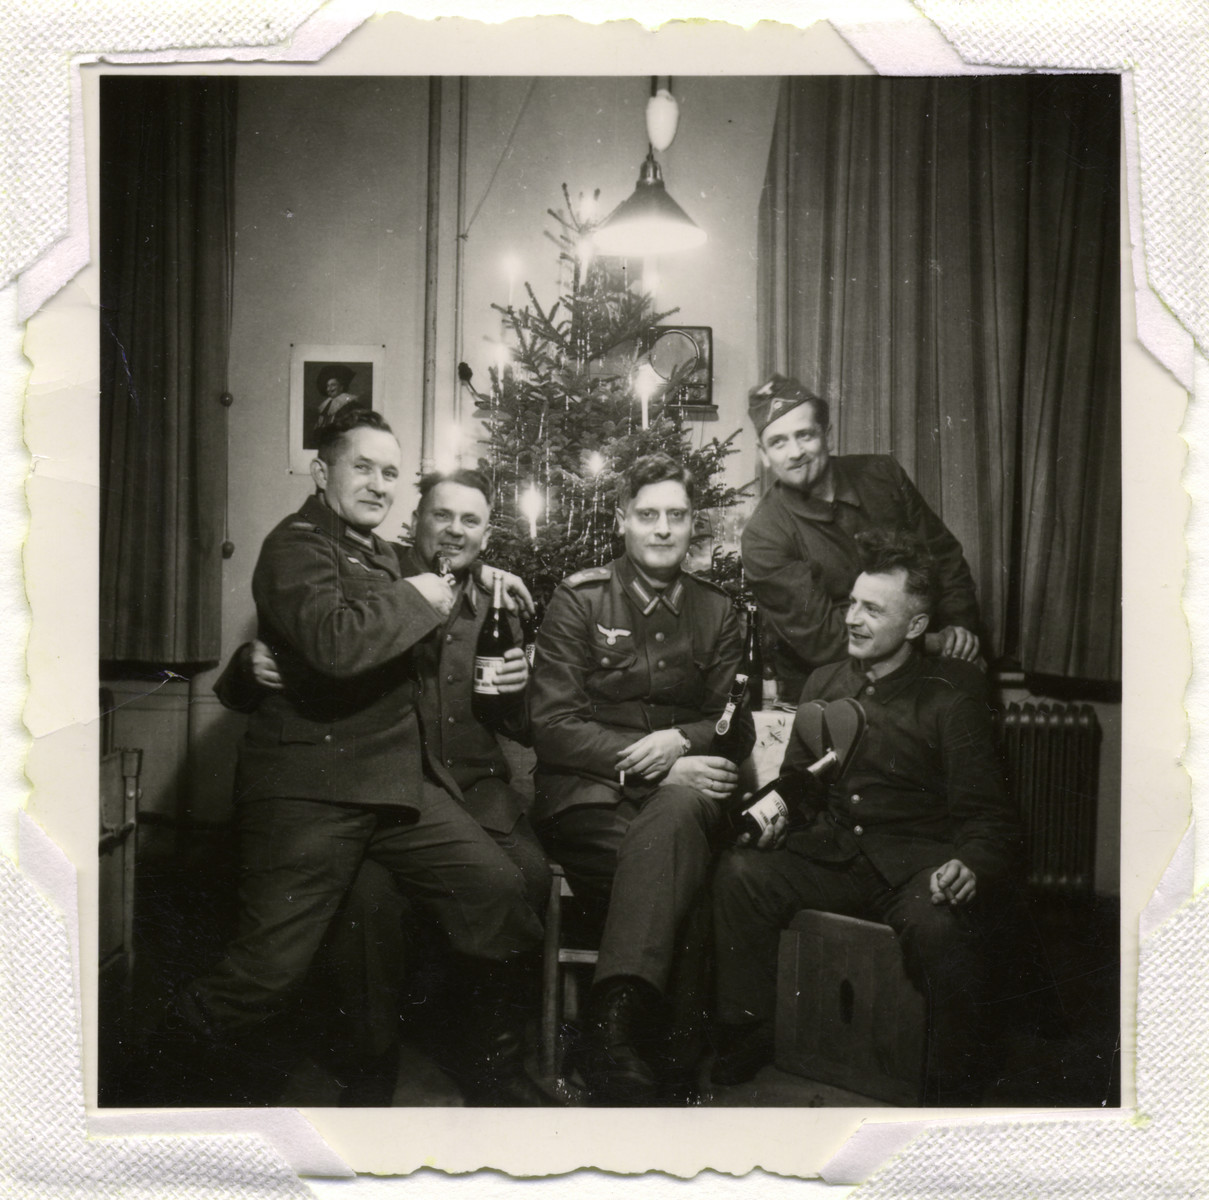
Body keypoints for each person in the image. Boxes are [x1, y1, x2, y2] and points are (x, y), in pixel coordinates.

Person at [170, 409, 547, 1106]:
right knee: (266, 973)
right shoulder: (297, 546)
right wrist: (251, 666)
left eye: (389, 472)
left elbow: (442, 560)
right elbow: (337, 644)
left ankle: (486, 1057)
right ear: (322, 472)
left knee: (496, 890)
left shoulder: (378, 552)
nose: (377, 484)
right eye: (361, 468)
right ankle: (148, 1098)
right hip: (314, 791)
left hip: (398, 787)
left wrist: (485, 567)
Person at [711, 528, 1021, 1104]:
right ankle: (751, 1029)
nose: (852, 618)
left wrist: (970, 865)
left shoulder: (955, 692)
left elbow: (990, 818)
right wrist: (783, 814)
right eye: (852, 602)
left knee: (941, 926)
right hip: (832, 854)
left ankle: (952, 1082)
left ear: (917, 626)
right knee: (740, 875)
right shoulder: (827, 682)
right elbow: (801, 785)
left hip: (913, 865)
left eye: (872, 609)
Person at [528, 452, 755, 1104]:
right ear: (622, 521)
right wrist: (649, 755)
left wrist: (680, 741)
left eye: (676, 516)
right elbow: (552, 725)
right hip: (588, 798)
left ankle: (611, 1037)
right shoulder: (581, 599)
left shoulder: (717, 613)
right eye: (648, 514)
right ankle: (671, 1067)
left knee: (678, 821)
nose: (662, 529)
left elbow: (731, 724)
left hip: (681, 795)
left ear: (692, 526)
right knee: (678, 872)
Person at [741, 374, 983, 704]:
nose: (795, 452)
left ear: (827, 436)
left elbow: (944, 558)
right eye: (779, 442)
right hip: (838, 687)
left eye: (805, 435)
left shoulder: (883, 475)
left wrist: (959, 630)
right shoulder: (764, 535)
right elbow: (826, 640)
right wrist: (932, 641)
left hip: (931, 668)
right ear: (764, 454)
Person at [314, 363, 363, 428]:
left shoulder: (350, 403)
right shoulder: (326, 405)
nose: (329, 389)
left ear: (341, 387)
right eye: (327, 386)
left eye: (333, 385)